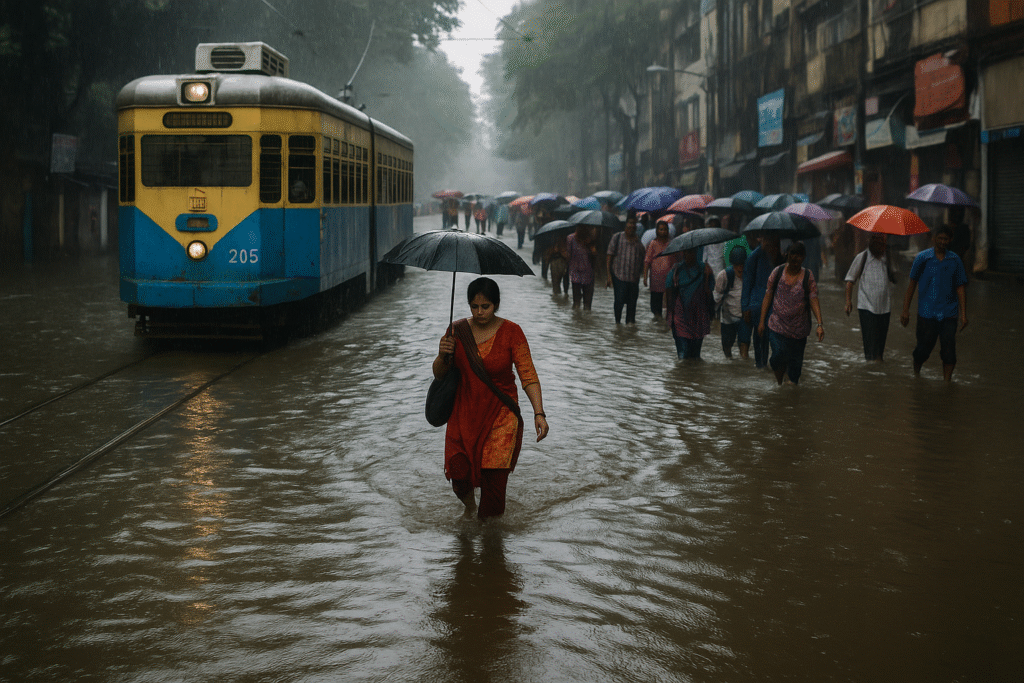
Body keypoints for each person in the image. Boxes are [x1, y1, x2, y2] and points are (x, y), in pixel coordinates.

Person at [433, 277, 549, 519]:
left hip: (501, 417)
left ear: (496, 304)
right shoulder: (456, 331)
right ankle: (470, 509)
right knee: (459, 475)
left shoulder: (512, 332)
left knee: (494, 483)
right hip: (463, 414)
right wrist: (443, 354)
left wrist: (539, 413)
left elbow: (528, 375)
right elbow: (439, 374)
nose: (479, 312)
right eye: (474, 307)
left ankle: (491, 542)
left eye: (485, 306)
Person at [900, 226, 968, 381]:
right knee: (923, 349)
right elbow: (912, 285)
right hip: (926, 312)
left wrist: (964, 315)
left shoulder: (955, 260)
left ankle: (947, 383)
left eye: (946, 239)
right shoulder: (922, 258)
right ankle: (916, 374)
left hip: (949, 313)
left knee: (949, 352)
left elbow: (960, 288)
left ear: (950, 240)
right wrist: (905, 310)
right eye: (940, 238)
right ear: (934, 238)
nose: (943, 242)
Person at [758, 241, 825, 385]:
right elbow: (768, 296)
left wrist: (820, 324)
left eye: (799, 256)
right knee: (777, 357)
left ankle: (789, 394)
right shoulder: (777, 273)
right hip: (777, 327)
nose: (795, 259)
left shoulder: (808, 276)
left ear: (804, 257)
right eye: (792, 255)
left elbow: (813, 299)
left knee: (795, 373)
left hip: (799, 331)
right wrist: (761, 321)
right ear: (787, 255)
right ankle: (779, 384)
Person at [844, 233, 897, 361]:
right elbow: (850, 281)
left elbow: (894, 279)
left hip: (885, 307)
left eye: (882, 240)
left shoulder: (888, 257)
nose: (879, 243)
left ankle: (877, 369)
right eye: (876, 239)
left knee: (880, 346)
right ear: (871, 241)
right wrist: (848, 301)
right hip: (866, 306)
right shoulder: (862, 257)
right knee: (870, 343)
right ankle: (870, 368)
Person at [742, 234, 784, 368]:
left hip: (775, 304)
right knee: (760, 336)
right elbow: (747, 283)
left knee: (774, 338)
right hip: (757, 304)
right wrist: (745, 307)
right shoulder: (755, 257)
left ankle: (771, 366)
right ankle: (760, 365)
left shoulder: (781, 259)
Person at [665, 247, 715, 360]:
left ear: (696, 253)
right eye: (687, 252)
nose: (690, 255)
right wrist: (669, 317)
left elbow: (709, 291)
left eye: (692, 252)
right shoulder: (676, 270)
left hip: (699, 318)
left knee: (695, 356)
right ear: (683, 253)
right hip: (680, 318)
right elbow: (669, 293)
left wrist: (707, 276)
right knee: (683, 355)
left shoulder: (704, 269)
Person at [605, 215, 645, 324]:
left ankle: (629, 330)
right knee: (619, 302)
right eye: (630, 223)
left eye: (634, 223)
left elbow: (643, 258)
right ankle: (617, 325)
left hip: (633, 279)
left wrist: (642, 275)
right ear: (626, 224)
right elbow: (609, 256)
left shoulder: (638, 242)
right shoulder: (617, 238)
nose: (632, 225)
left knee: (632, 307)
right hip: (619, 276)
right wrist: (609, 276)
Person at [715, 245, 750, 359]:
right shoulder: (724, 275)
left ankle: (744, 365)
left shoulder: (749, 275)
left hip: (744, 316)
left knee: (744, 343)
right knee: (727, 345)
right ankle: (729, 362)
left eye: (742, 265)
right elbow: (716, 296)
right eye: (737, 265)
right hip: (728, 316)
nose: (740, 268)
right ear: (733, 265)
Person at [643, 218, 675, 319]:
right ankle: (657, 323)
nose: (663, 231)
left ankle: (665, 324)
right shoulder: (653, 243)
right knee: (655, 305)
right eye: (661, 229)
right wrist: (644, 277)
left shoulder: (671, 244)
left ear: (667, 231)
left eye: (665, 229)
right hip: (655, 279)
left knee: (668, 305)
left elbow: (675, 262)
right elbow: (647, 261)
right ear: (657, 231)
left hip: (668, 279)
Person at [566, 224, 597, 310]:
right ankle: (579, 320)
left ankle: (580, 319)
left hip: (588, 274)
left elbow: (595, 258)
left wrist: (593, 251)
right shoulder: (571, 238)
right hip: (576, 274)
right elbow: (568, 255)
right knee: (577, 302)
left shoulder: (591, 240)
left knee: (586, 304)